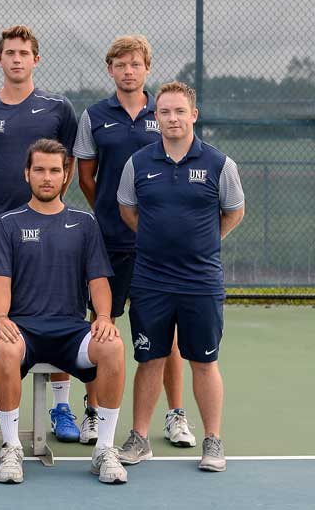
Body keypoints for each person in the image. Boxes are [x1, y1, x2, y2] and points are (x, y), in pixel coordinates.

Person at [0, 24, 82, 439]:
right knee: (1, 316)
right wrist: (3, 205)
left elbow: (66, 167)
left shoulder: (58, 109)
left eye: (24, 53)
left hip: (50, 227)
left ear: (36, 59)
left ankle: (61, 406)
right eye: (9, 53)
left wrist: (45, 207)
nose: (16, 59)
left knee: (61, 309)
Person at [117, 81, 245, 472]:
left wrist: (203, 243)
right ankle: (139, 439)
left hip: (200, 283)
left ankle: (213, 441)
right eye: (165, 112)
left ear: (193, 115)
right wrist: (159, 241)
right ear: (157, 118)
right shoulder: (138, 164)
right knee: (149, 359)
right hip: (151, 281)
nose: (172, 118)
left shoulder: (220, 164)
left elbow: (234, 212)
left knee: (204, 362)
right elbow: (129, 210)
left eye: (179, 111)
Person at [73, 35, 192, 447]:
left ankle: (176, 415)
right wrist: (112, 209)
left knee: (167, 332)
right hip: (106, 240)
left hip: (156, 245)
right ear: (110, 69)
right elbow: (86, 175)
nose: (128, 70)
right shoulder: (93, 116)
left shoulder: (163, 113)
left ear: (146, 68)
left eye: (135, 64)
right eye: (120, 64)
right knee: (100, 326)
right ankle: (91, 412)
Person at [0, 139, 127, 485]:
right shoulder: (8, 223)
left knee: (112, 347)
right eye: (39, 170)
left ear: (66, 175)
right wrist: (1, 318)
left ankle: (105, 450)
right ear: (27, 174)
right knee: (4, 347)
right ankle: (11, 447)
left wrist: (105, 319)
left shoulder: (84, 223)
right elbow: (0, 282)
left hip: (71, 332)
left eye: (54, 170)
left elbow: (98, 283)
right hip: (24, 332)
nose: (47, 177)